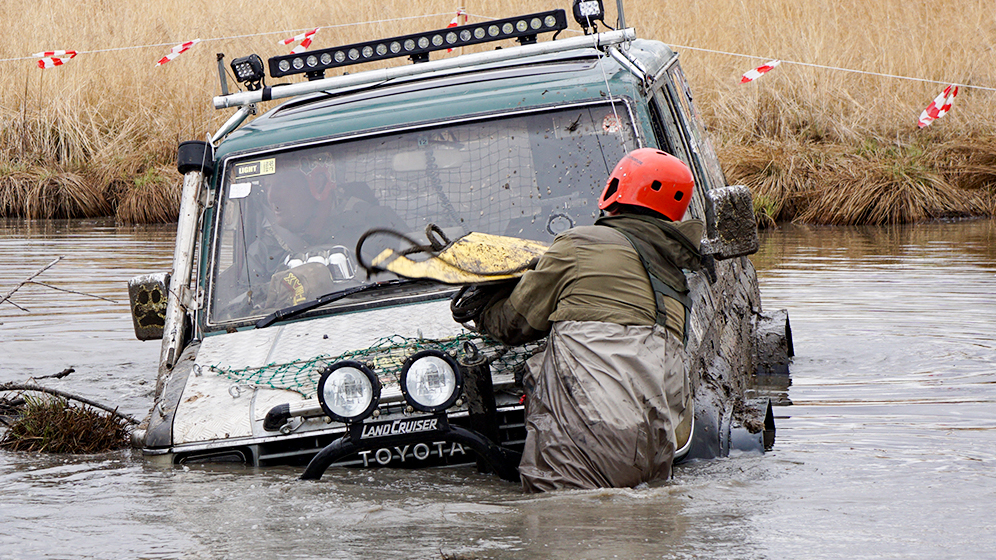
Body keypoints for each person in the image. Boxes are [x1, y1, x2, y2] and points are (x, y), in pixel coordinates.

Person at [455, 148, 707, 491]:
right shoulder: (678, 287)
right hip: (655, 454)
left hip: (581, 450)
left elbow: (511, 326)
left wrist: (484, 304)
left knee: (564, 532)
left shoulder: (579, 244)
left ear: (614, 188)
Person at [243, 165, 404, 311]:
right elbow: (241, 311)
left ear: (319, 185)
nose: (272, 197)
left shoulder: (377, 227)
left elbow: (414, 285)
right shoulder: (263, 253)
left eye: (282, 185)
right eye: (268, 186)